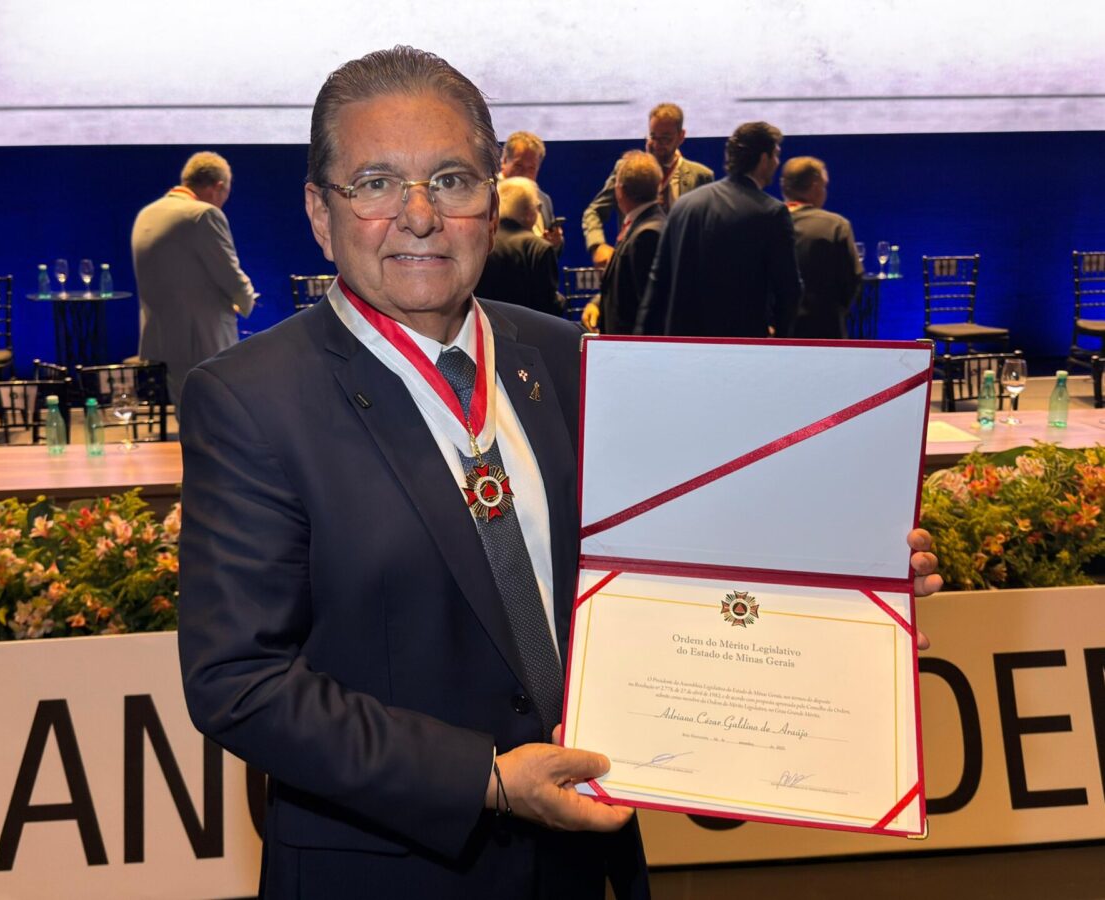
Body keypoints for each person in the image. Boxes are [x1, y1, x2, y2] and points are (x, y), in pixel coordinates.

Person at [176, 47, 942, 900]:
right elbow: (239, 682)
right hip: (388, 875)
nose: (420, 216)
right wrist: (486, 780)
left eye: (452, 180)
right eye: (376, 183)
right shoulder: (251, 400)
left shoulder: (568, 357)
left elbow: (666, 575)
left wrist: (843, 594)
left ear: (493, 195)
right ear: (321, 213)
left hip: (584, 869)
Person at [636, 121, 801, 338]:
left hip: (681, 345)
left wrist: (643, 341)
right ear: (764, 159)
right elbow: (788, 290)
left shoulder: (684, 205)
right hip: (739, 347)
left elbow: (657, 282)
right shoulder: (772, 213)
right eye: (776, 155)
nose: (777, 162)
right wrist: (780, 342)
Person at [131, 151, 258, 412]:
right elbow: (230, 275)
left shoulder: (147, 213)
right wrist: (247, 301)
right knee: (216, 416)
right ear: (218, 187)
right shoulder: (203, 214)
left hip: (162, 338)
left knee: (188, 414)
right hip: (203, 338)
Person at [581, 103, 713, 272]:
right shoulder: (627, 169)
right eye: (653, 136)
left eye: (665, 138)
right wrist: (597, 245)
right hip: (633, 266)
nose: (657, 144)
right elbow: (593, 212)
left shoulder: (701, 176)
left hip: (681, 270)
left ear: (681, 136)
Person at [580, 151, 665, 335]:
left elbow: (648, 309)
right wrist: (598, 303)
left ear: (620, 190)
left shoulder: (646, 235)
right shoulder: (644, 226)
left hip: (632, 348)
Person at [780, 156, 864, 339]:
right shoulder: (836, 226)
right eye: (824, 186)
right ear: (816, 186)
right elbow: (851, 279)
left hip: (776, 333)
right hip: (824, 331)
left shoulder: (765, 222)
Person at [475, 176, 562, 316]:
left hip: (485, 325)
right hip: (528, 327)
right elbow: (548, 307)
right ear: (528, 213)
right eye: (538, 207)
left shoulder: (480, 242)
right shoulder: (539, 248)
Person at [500, 131, 563, 250]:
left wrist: (554, 243)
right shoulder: (488, 195)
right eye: (518, 166)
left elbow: (553, 251)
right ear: (504, 161)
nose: (524, 174)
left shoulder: (544, 199)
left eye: (531, 168)